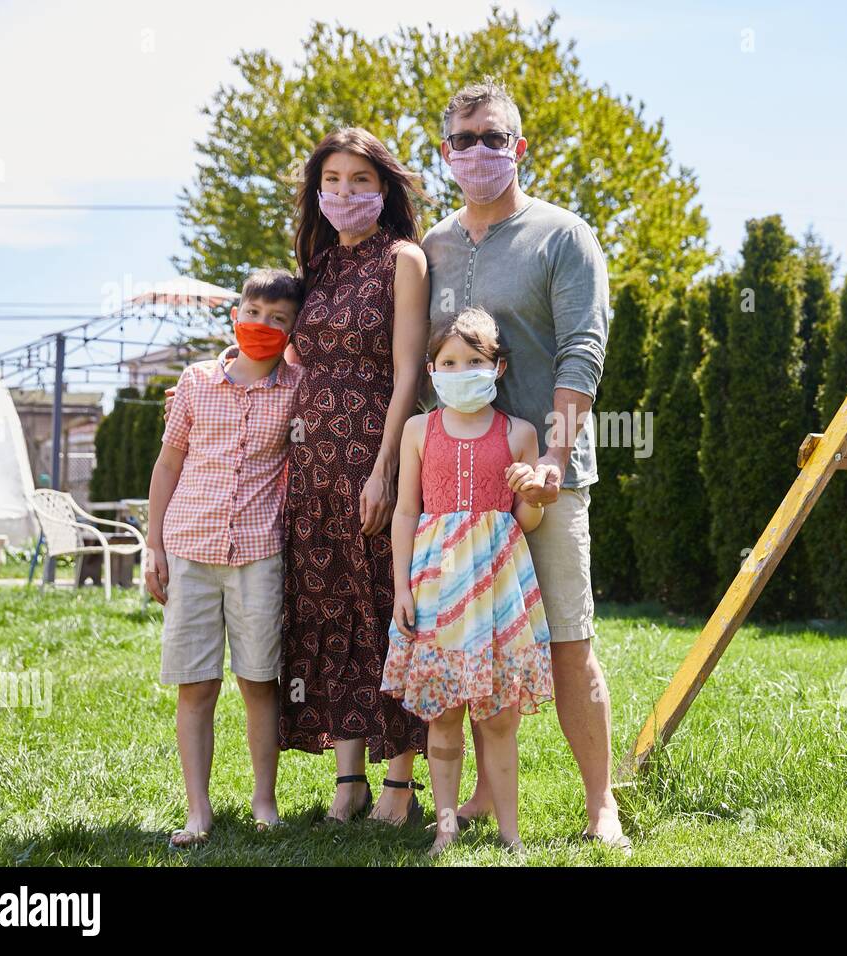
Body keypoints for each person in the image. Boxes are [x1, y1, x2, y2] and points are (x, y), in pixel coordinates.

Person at [421, 80, 628, 848]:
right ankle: (478, 792)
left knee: (569, 641)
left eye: (494, 137)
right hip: (459, 491)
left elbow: (584, 348)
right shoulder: (434, 246)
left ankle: (600, 804)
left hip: (548, 477)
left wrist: (553, 453)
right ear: (446, 153)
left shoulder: (564, 236)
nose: (480, 151)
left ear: (520, 146)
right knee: (471, 640)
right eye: (466, 139)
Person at [281, 128, 433, 824]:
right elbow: (289, 358)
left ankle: (399, 785)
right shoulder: (313, 264)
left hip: (374, 451)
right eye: (333, 180)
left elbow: (408, 372)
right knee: (328, 610)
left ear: (385, 189)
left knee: (385, 609)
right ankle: (349, 782)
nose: (345, 192)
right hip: (309, 466)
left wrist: (384, 472)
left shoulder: (403, 259)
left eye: (360, 181)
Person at [382, 306, 554, 855]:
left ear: (497, 367)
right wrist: (403, 587)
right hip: (436, 586)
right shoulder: (418, 429)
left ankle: (511, 834)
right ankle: (446, 825)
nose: (461, 371)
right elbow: (406, 511)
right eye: (448, 362)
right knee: (444, 715)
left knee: (500, 719)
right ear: (432, 369)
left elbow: (527, 520)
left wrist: (530, 496)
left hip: (498, 588)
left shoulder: (519, 433)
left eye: (473, 361)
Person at [147, 268, 305, 847]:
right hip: (190, 548)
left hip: (259, 554)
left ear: (293, 331)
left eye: (278, 320)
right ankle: (198, 810)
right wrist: (153, 542)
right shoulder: (193, 382)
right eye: (254, 313)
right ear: (236, 314)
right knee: (196, 685)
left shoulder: (297, 389)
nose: (262, 326)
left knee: (260, 680)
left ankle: (265, 801)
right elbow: (168, 466)